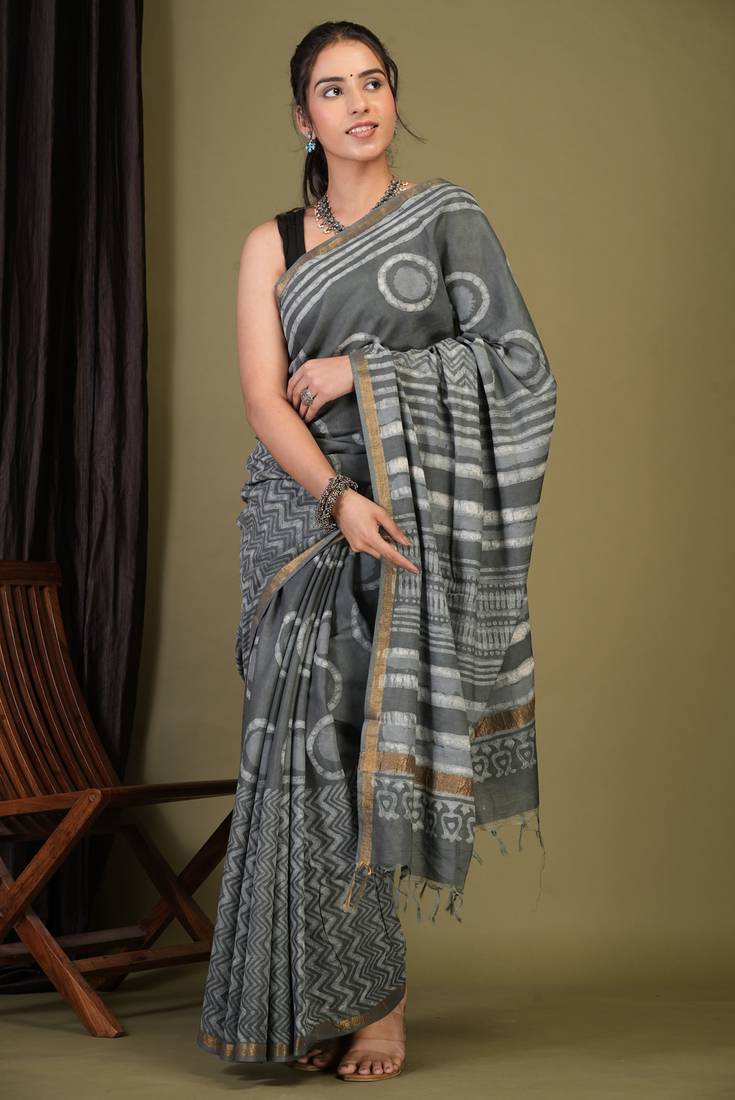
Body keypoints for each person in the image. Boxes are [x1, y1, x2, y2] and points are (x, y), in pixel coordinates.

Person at [196, 19, 557, 1083]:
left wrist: (363, 371)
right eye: (332, 89)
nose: (358, 103)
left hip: (410, 509)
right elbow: (263, 399)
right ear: (301, 117)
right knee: (296, 748)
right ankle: (317, 998)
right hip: (299, 511)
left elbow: (517, 366)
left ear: (394, 95)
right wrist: (336, 495)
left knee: (365, 745)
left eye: (373, 82)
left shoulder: (446, 220)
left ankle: (380, 1007)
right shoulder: (271, 243)